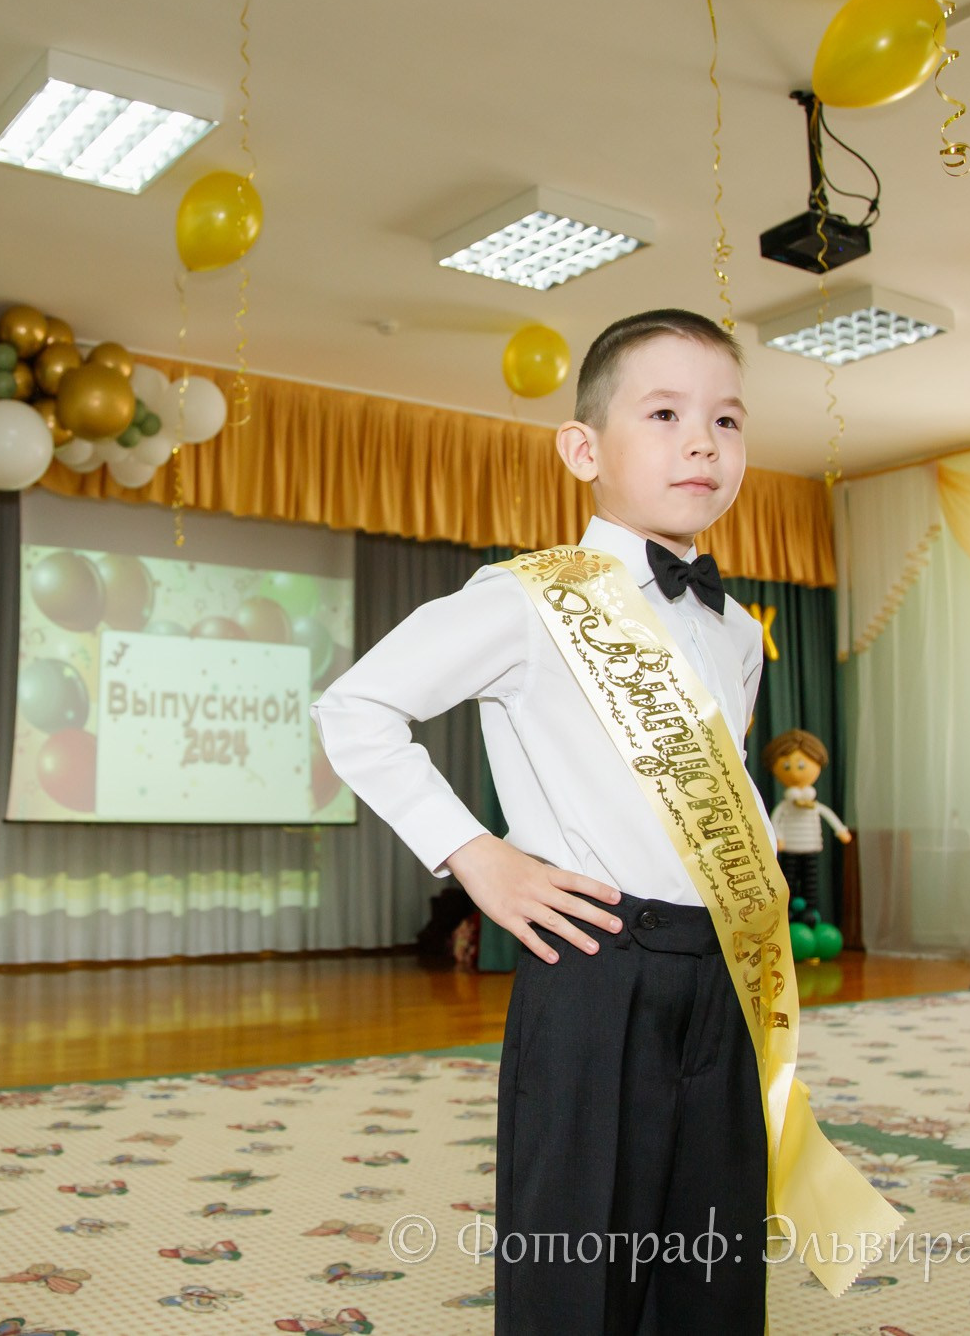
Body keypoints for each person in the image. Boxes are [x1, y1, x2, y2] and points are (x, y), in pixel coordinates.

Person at [316, 310, 895, 1332]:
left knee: (713, 1255)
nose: (701, 442)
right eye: (664, 414)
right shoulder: (527, 599)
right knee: (578, 1257)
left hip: (725, 967)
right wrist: (476, 856)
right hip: (595, 961)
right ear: (582, 449)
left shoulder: (735, 631)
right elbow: (354, 708)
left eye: (726, 420)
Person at [763, 727, 851, 904]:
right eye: (787, 766)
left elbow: (827, 814)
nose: (795, 772)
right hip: (789, 846)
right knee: (788, 876)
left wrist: (840, 830)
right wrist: (778, 838)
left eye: (801, 765)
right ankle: (788, 908)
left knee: (810, 879)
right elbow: (775, 821)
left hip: (810, 844)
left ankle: (811, 907)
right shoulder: (785, 806)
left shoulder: (813, 805)